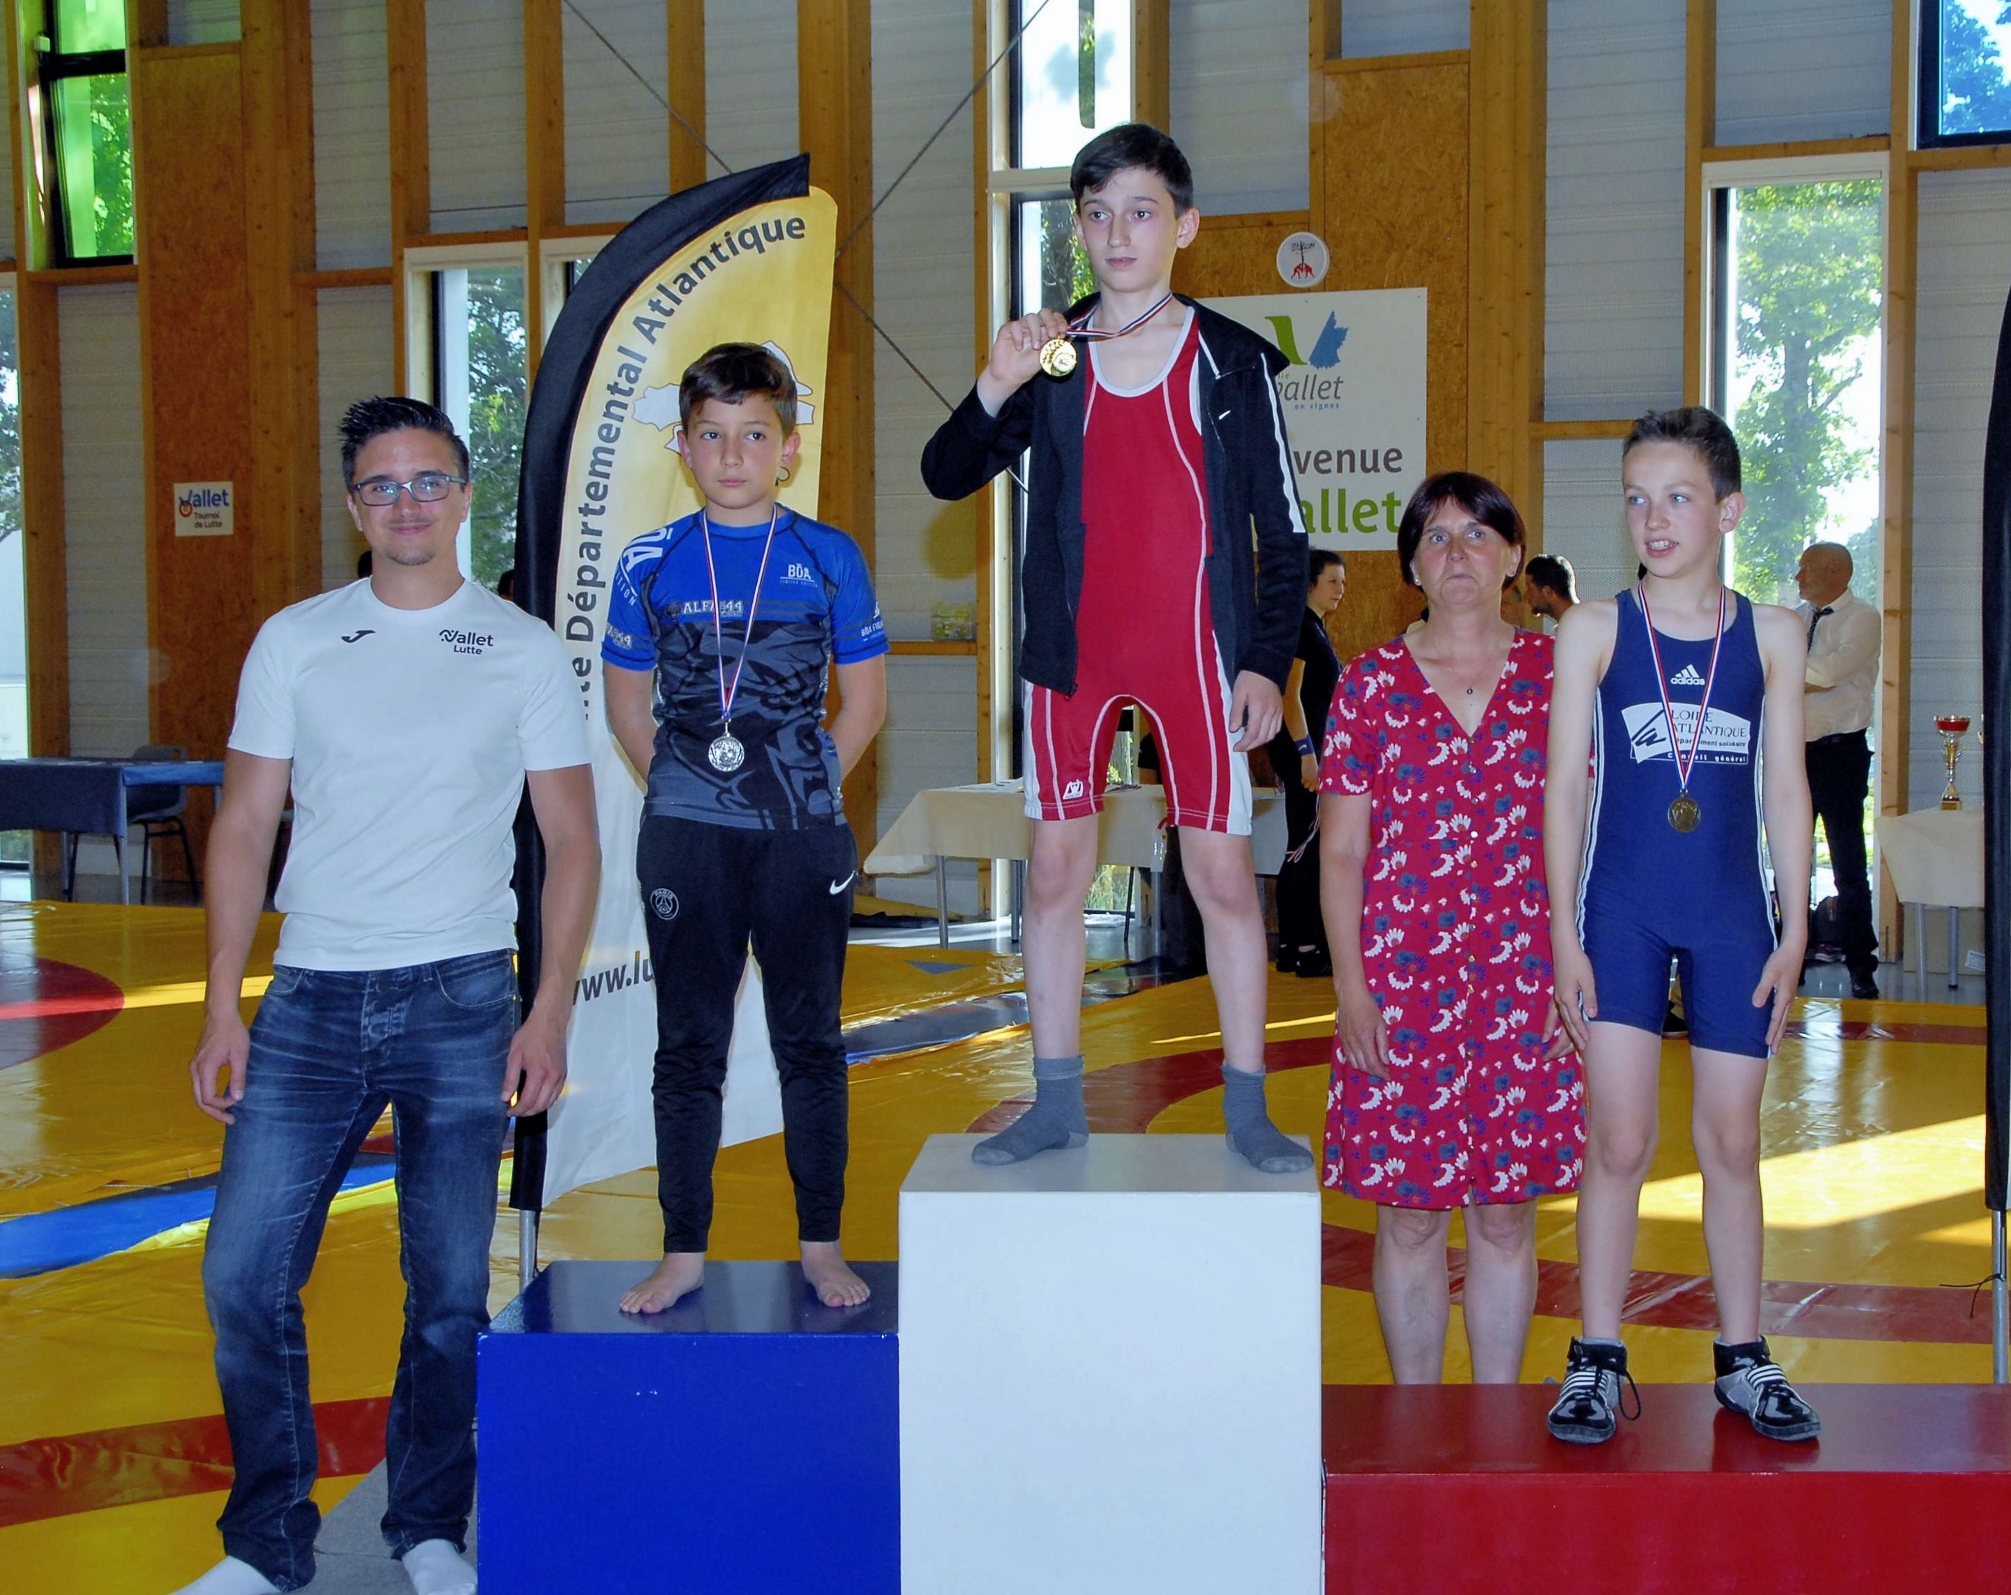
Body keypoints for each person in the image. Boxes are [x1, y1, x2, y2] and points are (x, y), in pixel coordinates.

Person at [178, 397, 600, 1595]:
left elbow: (572, 839)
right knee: (241, 1276)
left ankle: (426, 1523)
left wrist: (549, 1008)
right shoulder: (296, 640)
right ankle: (266, 1542)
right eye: (382, 484)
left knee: (450, 1292)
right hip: (312, 996)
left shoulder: (521, 649)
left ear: (463, 495)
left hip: (463, 999)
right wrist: (222, 1000)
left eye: (428, 480)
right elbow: (245, 821)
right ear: (354, 506)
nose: (407, 502)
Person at [921, 121, 1311, 1173]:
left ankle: (1245, 1105)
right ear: (1080, 231)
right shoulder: (1052, 358)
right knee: (1055, 870)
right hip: (1073, 654)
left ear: (1185, 226)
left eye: (1141, 212)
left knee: (1221, 875)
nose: (1118, 233)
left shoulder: (1231, 360)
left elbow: (1284, 533)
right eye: (1097, 215)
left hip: (1198, 653)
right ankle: (1054, 1100)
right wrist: (995, 381)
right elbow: (944, 474)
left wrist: (1264, 662)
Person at [1541, 406, 1816, 1446]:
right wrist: (1564, 934)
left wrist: (1796, 923)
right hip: (1621, 912)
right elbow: (1565, 788)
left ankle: (1744, 1357)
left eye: (1677, 498)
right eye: (1636, 499)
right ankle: (1596, 1355)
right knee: (1616, 1140)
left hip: (1732, 916)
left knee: (1732, 1141)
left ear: (1728, 510)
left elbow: (1785, 788)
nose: (1653, 520)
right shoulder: (1595, 629)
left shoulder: (1772, 633)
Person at [602, 342, 891, 1316]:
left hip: (800, 833)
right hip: (688, 833)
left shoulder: (828, 555)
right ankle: (682, 1250)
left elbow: (865, 706)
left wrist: (799, 791)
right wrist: (693, 792)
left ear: (789, 448)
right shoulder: (649, 561)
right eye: (713, 435)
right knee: (689, 1044)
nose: (733, 455)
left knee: (809, 1040)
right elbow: (626, 705)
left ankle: (821, 1243)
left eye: (755, 435)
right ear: (683, 447)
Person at [1320, 474, 1583, 1384]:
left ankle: (1498, 1422)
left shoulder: (1562, 677)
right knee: (1409, 1215)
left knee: (1507, 1215)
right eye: (1435, 537)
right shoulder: (1369, 687)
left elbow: (1598, 836)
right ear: (1411, 567)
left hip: (1528, 982)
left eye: (1478, 534)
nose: (1457, 552)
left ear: (1514, 558)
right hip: (1400, 986)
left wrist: (1576, 969)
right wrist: (1351, 990)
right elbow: (1342, 854)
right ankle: (1416, 1423)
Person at [1794, 540, 1882, 1000]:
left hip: (1841, 753)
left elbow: (1828, 673)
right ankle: (1792, 957)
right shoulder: (1796, 618)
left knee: (1847, 863)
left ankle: (1861, 964)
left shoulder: (1862, 618)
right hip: (1796, 753)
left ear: (1836, 572)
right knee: (1791, 861)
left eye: (1807, 568)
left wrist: (1783, 669)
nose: (1799, 576)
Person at [1271, 548, 1346, 978]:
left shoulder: (1313, 628)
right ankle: (1306, 946)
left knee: (1300, 844)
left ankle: (1291, 945)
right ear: (1310, 584)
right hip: (1307, 756)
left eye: (1343, 582)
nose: (1341, 589)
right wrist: (1305, 755)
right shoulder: (1302, 627)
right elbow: (1288, 694)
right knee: (1306, 847)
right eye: (1333, 581)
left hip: (1309, 752)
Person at [1522, 553, 1577, 626]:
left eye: (1529, 588)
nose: (1526, 596)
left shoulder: (1580, 626)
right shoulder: (1568, 626)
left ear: (1548, 592)